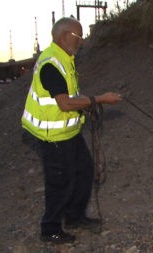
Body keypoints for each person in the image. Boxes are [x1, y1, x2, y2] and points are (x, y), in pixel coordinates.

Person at [21, 17, 122, 244]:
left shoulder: (65, 59)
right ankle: (50, 229)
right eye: (78, 36)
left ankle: (74, 216)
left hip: (68, 132)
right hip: (52, 136)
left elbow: (71, 98)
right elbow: (64, 103)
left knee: (84, 170)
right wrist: (99, 100)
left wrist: (87, 107)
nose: (81, 41)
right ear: (64, 36)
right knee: (60, 180)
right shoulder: (51, 64)